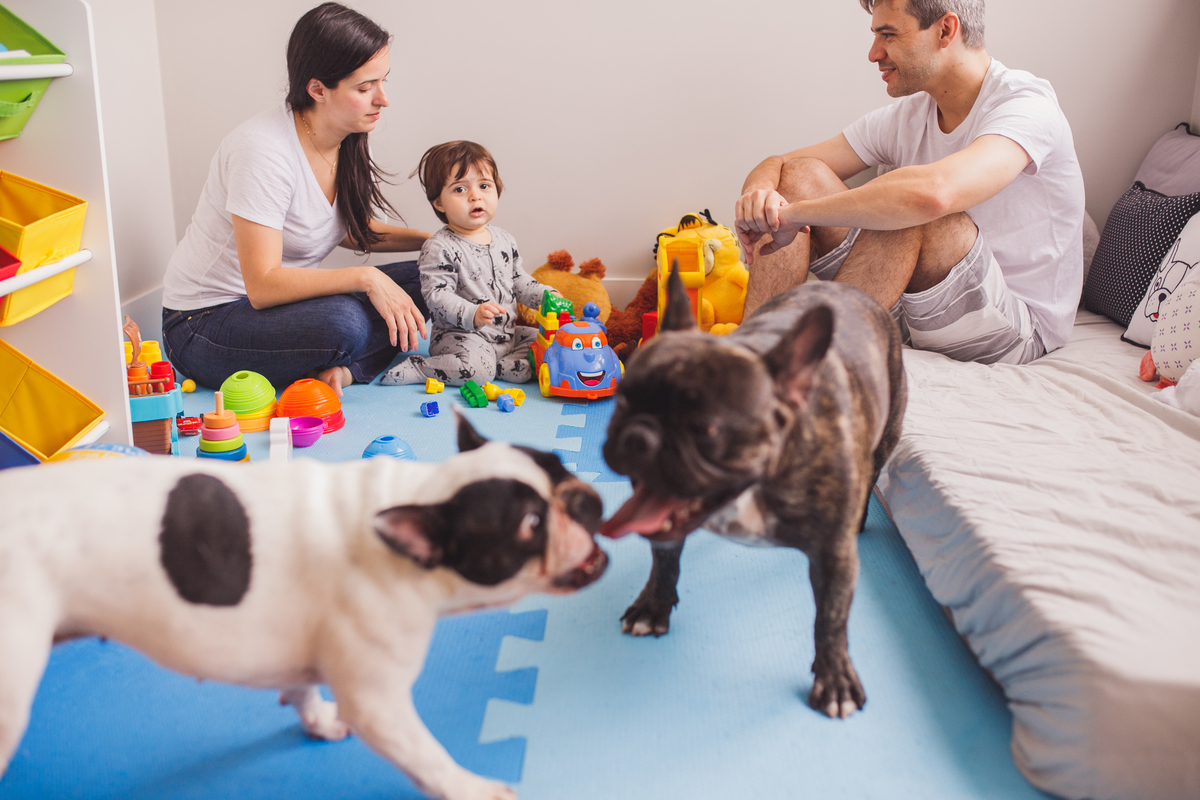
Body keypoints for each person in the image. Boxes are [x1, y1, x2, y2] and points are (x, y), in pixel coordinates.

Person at [734, 0, 1085, 364]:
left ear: (946, 31)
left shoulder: (1027, 106)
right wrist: (758, 197)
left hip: (1015, 328)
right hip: (912, 300)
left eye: (889, 35)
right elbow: (780, 163)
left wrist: (794, 216)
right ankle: (749, 355)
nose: (874, 54)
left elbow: (934, 194)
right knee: (801, 175)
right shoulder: (908, 116)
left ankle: (803, 363)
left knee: (909, 204)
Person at [161, 2, 431, 396]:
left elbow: (350, 231)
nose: (383, 99)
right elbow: (263, 286)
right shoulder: (262, 151)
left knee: (435, 271)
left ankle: (345, 371)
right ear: (318, 89)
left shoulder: (346, 134)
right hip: (203, 325)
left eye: (383, 81)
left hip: (277, 311)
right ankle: (350, 356)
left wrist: (440, 242)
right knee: (346, 323)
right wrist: (367, 277)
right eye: (365, 87)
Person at [380, 141, 557, 387]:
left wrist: (546, 296)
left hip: (506, 336)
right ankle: (422, 368)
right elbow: (437, 296)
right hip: (462, 336)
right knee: (477, 372)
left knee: (543, 342)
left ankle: (501, 365)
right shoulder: (439, 246)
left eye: (484, 186)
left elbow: (519, 280)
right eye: (460, 189)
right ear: (438, 202)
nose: (475, 195)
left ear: (497, 191)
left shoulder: (504, 239)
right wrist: (473, 313)